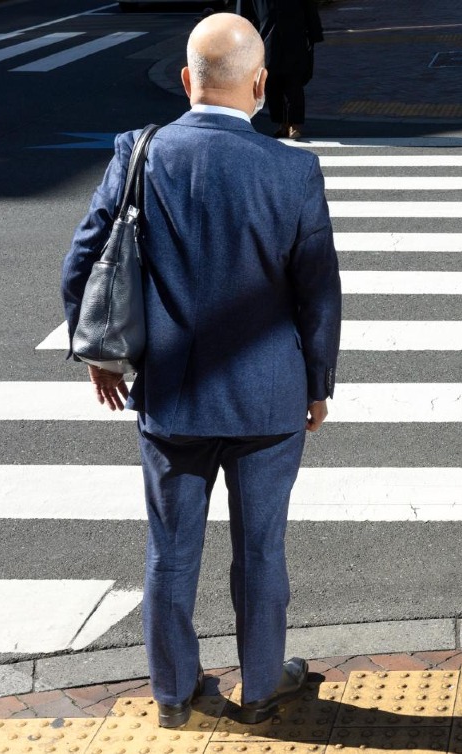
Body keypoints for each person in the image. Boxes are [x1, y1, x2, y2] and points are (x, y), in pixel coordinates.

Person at [60, 13, 342, 728]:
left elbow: (85, 259)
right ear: (261, 82)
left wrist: (100, 352)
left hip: (170, 394)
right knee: (260, 552)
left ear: (187, 80)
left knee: (170, 553)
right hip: (268, 398)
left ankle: (175, 694)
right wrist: (316, 383)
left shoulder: (138, 152)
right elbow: (317, 289)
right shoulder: (293, 167)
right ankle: (262, 685)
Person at [242, 0, 323, 138]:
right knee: (271, 83)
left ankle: (294, 123)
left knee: (294, 83)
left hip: (294, 39)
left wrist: (314, 35)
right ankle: (281, 123)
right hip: (266, 39)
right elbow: (244, 14)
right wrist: (242, 39)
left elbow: (310, 8)